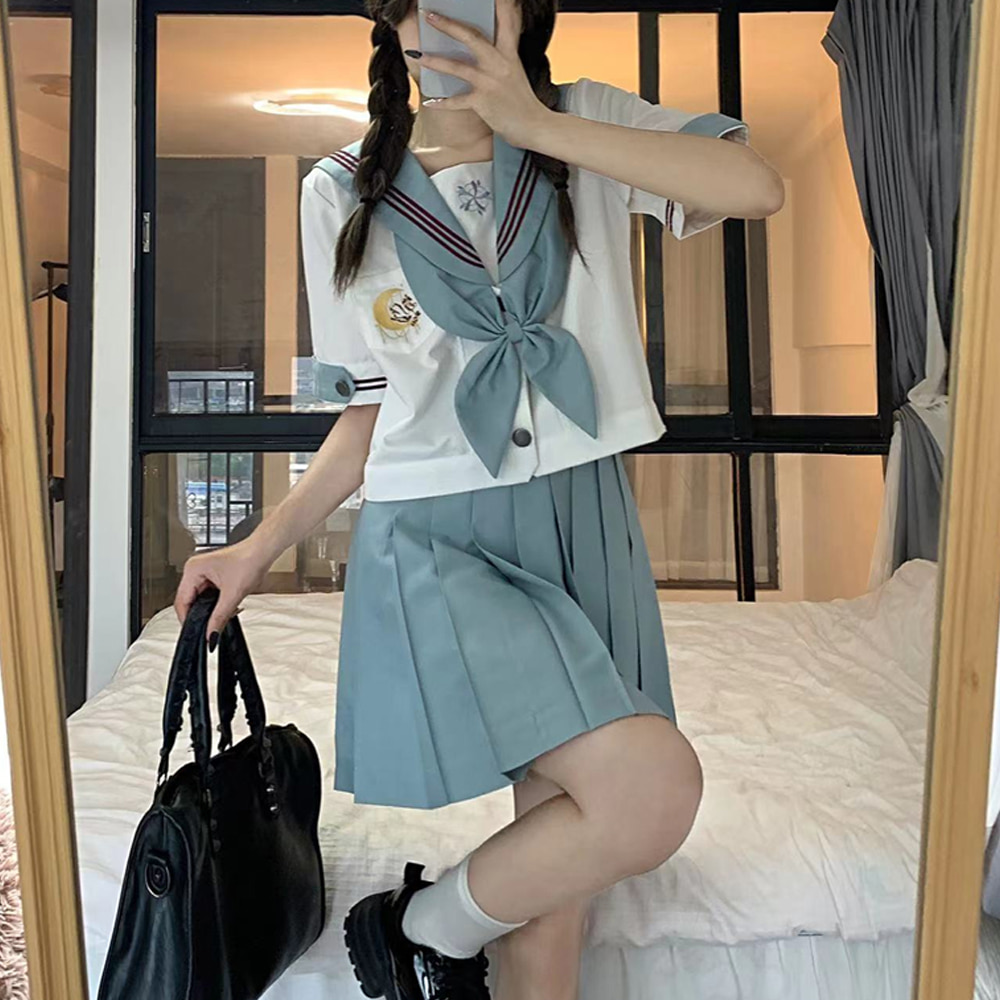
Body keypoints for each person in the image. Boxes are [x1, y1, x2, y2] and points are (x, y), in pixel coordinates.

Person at [174, 1, 784, 997]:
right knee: (648, 791)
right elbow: (368, 415)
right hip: (436, 540)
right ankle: (419, 927)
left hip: (586, 522)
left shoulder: (585, 122)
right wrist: (257, 544)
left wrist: (534, 124)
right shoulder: (339, 191)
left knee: (557, 902)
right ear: (398, 24)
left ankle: (426, 929)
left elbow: (755, 186)